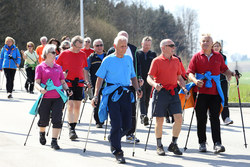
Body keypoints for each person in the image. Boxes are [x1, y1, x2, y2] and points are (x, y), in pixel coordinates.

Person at [91, 35, 142, 164]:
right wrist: (96, 95)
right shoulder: (108, 60)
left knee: (128, 125)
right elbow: (100, 79)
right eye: (121, 46)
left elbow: (133, 77)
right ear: (115, 47)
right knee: (116, 123)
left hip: (126, 94)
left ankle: (114, 137)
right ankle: (117, 151)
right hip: (112, 95)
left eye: (125, 46)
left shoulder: (128, 59)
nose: (124, 49)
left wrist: (137, 89)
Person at [187, 33, 236, 153]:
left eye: (208, 41)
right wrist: (195, 80)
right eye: (203, 41)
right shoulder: (196, 56)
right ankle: (202, 143)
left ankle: (217, 144)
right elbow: (190, 73)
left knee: (215, 118)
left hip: (215, 92)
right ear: (200, 43)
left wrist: (232, 74)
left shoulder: (218, 56)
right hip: (200, 92)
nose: (205, 43)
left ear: (212, 43)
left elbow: (224, 69)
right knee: (201, 118)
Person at [147, 39, 189, 156]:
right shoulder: (156, 61)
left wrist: (184, 88)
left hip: (173, 92)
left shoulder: (176, 60)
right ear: (163, 48)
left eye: (173, 46)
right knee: (159, 120)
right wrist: (155, 85)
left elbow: (179, 77)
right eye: (171, 46)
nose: (173, 48)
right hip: (160, 92)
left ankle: (173, 144)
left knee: (179, 118)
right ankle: (159, 145)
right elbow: (149, 77)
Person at [35, 44, 72, 150]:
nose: (55, 54)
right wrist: (40, 89)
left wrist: (67, 89)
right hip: (45, 96)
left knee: (57, 119)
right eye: (53, 52)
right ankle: (42, 133)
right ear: (46, 54)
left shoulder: (58, 67)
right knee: (43, 119)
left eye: (55, 52)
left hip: (58, 97)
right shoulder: (40, 67)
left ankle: (54, 141)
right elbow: (36, 83)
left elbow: (62, 81)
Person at [107, 30, 142, 144]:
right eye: (121, 39)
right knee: (117, 113)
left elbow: (136, 66)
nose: (124, 45)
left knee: (131, 111)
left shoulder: (133, 49)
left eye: (126, 40)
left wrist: (138, 81)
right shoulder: (111, 52)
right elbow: (103, 73)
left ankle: (129, 133)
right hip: (114, 88)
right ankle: (115, 134)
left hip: (130, 86)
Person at [56, 35, 90, 140]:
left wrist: (86, 81)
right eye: (77, 47)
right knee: (70, 106)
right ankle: (71, 129)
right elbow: (56, 67)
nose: (79, 49)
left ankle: (73, 125)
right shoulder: (64, 54)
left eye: (80, 47)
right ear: (72, 44)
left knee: (77, 107)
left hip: (79, 83)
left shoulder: (83, 54)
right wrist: (61, 75)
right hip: (68, 83)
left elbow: (84, 69)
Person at [85, 39, 107, 128]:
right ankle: (98, 121)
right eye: (97, 46)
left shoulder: (108, 56)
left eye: (101, 45)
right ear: (93, 47)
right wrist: (87, 81)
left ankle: (106, 118)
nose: (99, 47)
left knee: (107, 101)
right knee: (96, 101)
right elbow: (85, 70)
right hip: (95, 82)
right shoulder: (91, 58)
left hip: (108, 83)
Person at [137, 36, 156, 126]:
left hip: (150, 79)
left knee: (147, 98)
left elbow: (156, 67)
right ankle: (143, 115)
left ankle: (145, 116)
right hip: (141, 79)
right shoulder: (137, 53)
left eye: (148, 45)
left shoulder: (153, 54)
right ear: (142, 44)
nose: (147, 47)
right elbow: (136, 66)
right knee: (142, 97)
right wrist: (137, 77)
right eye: (145, 45)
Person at [212, 41, 233, 125]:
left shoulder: (224, 57)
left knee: (224, 98)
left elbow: (225, 68)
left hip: (223, 80)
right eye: (215, 46)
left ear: (220, 47)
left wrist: (229, 75)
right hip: (213, 81)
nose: (216, 47)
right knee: (213, 99)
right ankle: (214, 117)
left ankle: (226, 117)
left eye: (218, 46)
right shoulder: (210, 56)